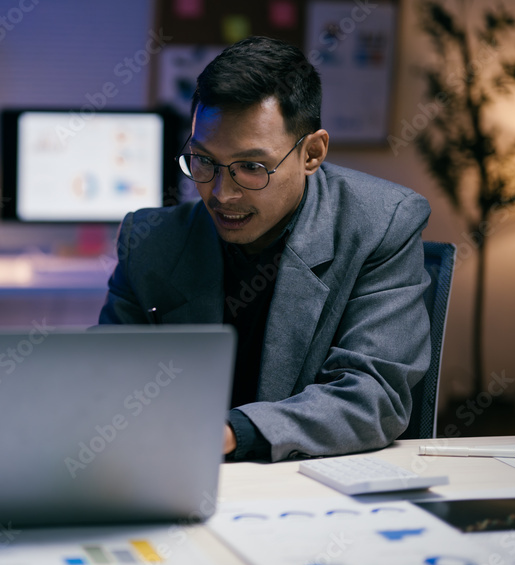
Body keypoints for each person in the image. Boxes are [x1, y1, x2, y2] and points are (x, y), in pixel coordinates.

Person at [98, 36, 431, 462]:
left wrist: (231, 432)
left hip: (309, 486)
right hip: (169, 471)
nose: (222, 193)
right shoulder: (150, 241)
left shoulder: (381, 223)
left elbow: (373, 396)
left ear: (312, 153)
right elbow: (106, 376)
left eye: (251, 168)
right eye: (203, 161)